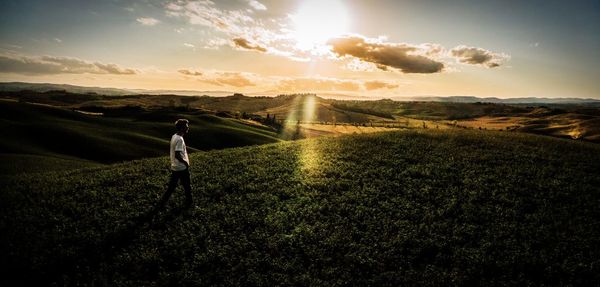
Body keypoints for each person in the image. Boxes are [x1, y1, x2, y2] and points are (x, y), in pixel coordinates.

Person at [157, 118, 193, 209]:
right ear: (181, 128)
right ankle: (189, 203)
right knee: (187, 186)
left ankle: (162, 202)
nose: (188, 128)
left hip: (175, 167)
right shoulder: (180, 139)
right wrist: (185, 163)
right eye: (186, 126)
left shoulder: (174, 136)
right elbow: (177, 154)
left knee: (171, 187)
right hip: (181, 167)